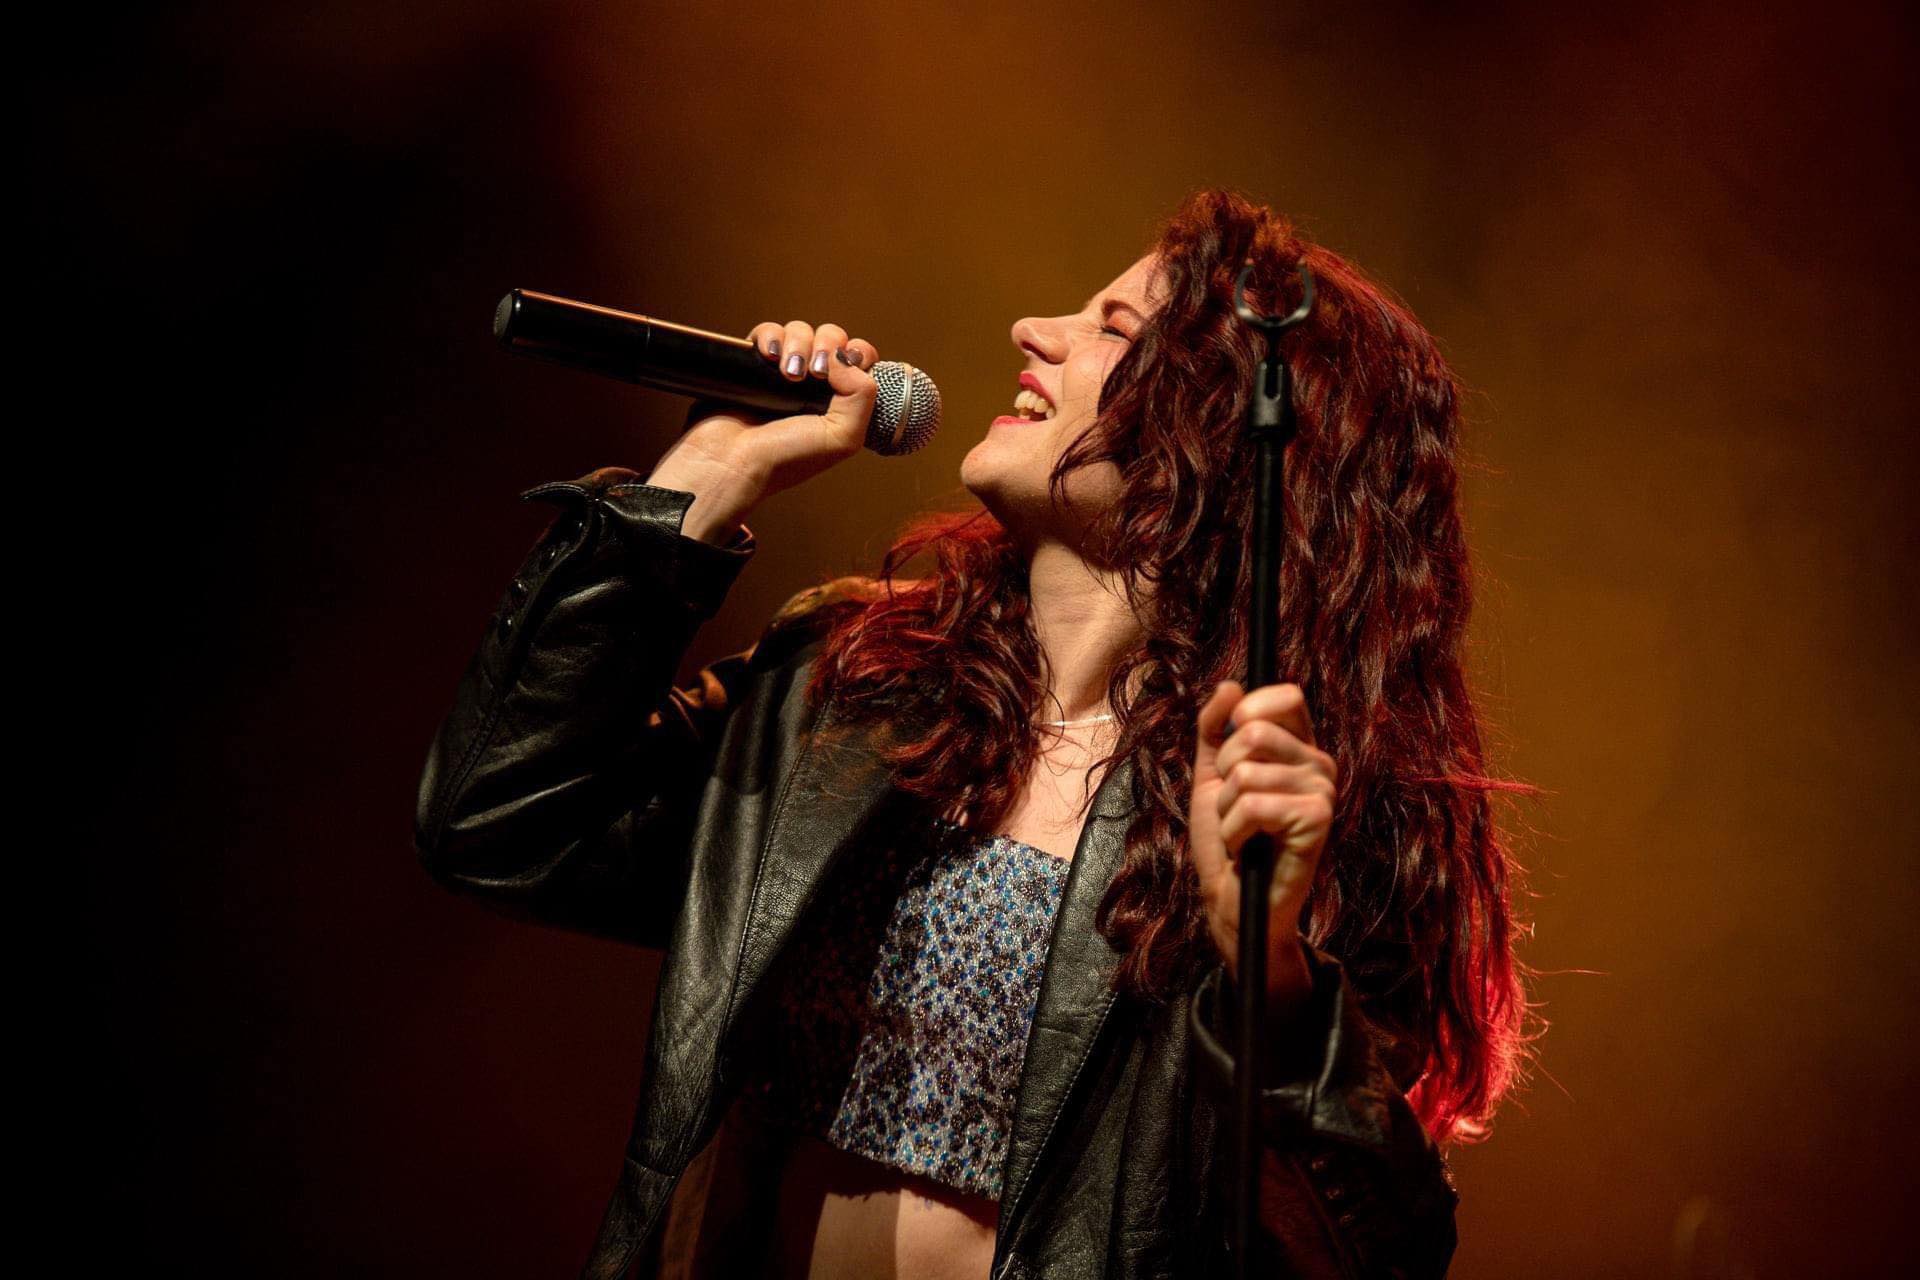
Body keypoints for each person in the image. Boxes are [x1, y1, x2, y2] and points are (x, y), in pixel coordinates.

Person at [414, 187, 1532, 1279]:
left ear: (1232, 426)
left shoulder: (1286, 804)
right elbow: (500, 823)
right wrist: (693, 489)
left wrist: (1272, 973)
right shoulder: (846, 690)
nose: (1031, 330)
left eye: (1113, 327)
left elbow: (1378, 1245)